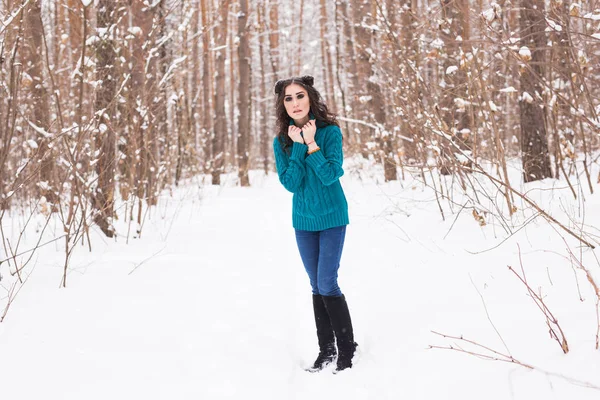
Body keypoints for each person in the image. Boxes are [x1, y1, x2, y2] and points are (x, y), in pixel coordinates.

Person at [272, 75, 358, 372]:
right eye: (288, 98)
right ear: (283, 105)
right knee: (315, 284)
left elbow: (330, 174)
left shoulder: (330, 132)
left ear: (310, 99)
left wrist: (311, 144)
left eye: (299, 96)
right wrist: (296, 146)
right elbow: (291, 184)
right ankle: (326, 349)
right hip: (304, 222)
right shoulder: (281, 142)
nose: (295, 103)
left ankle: (347, 348)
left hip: (333, 216)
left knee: (327, 282)